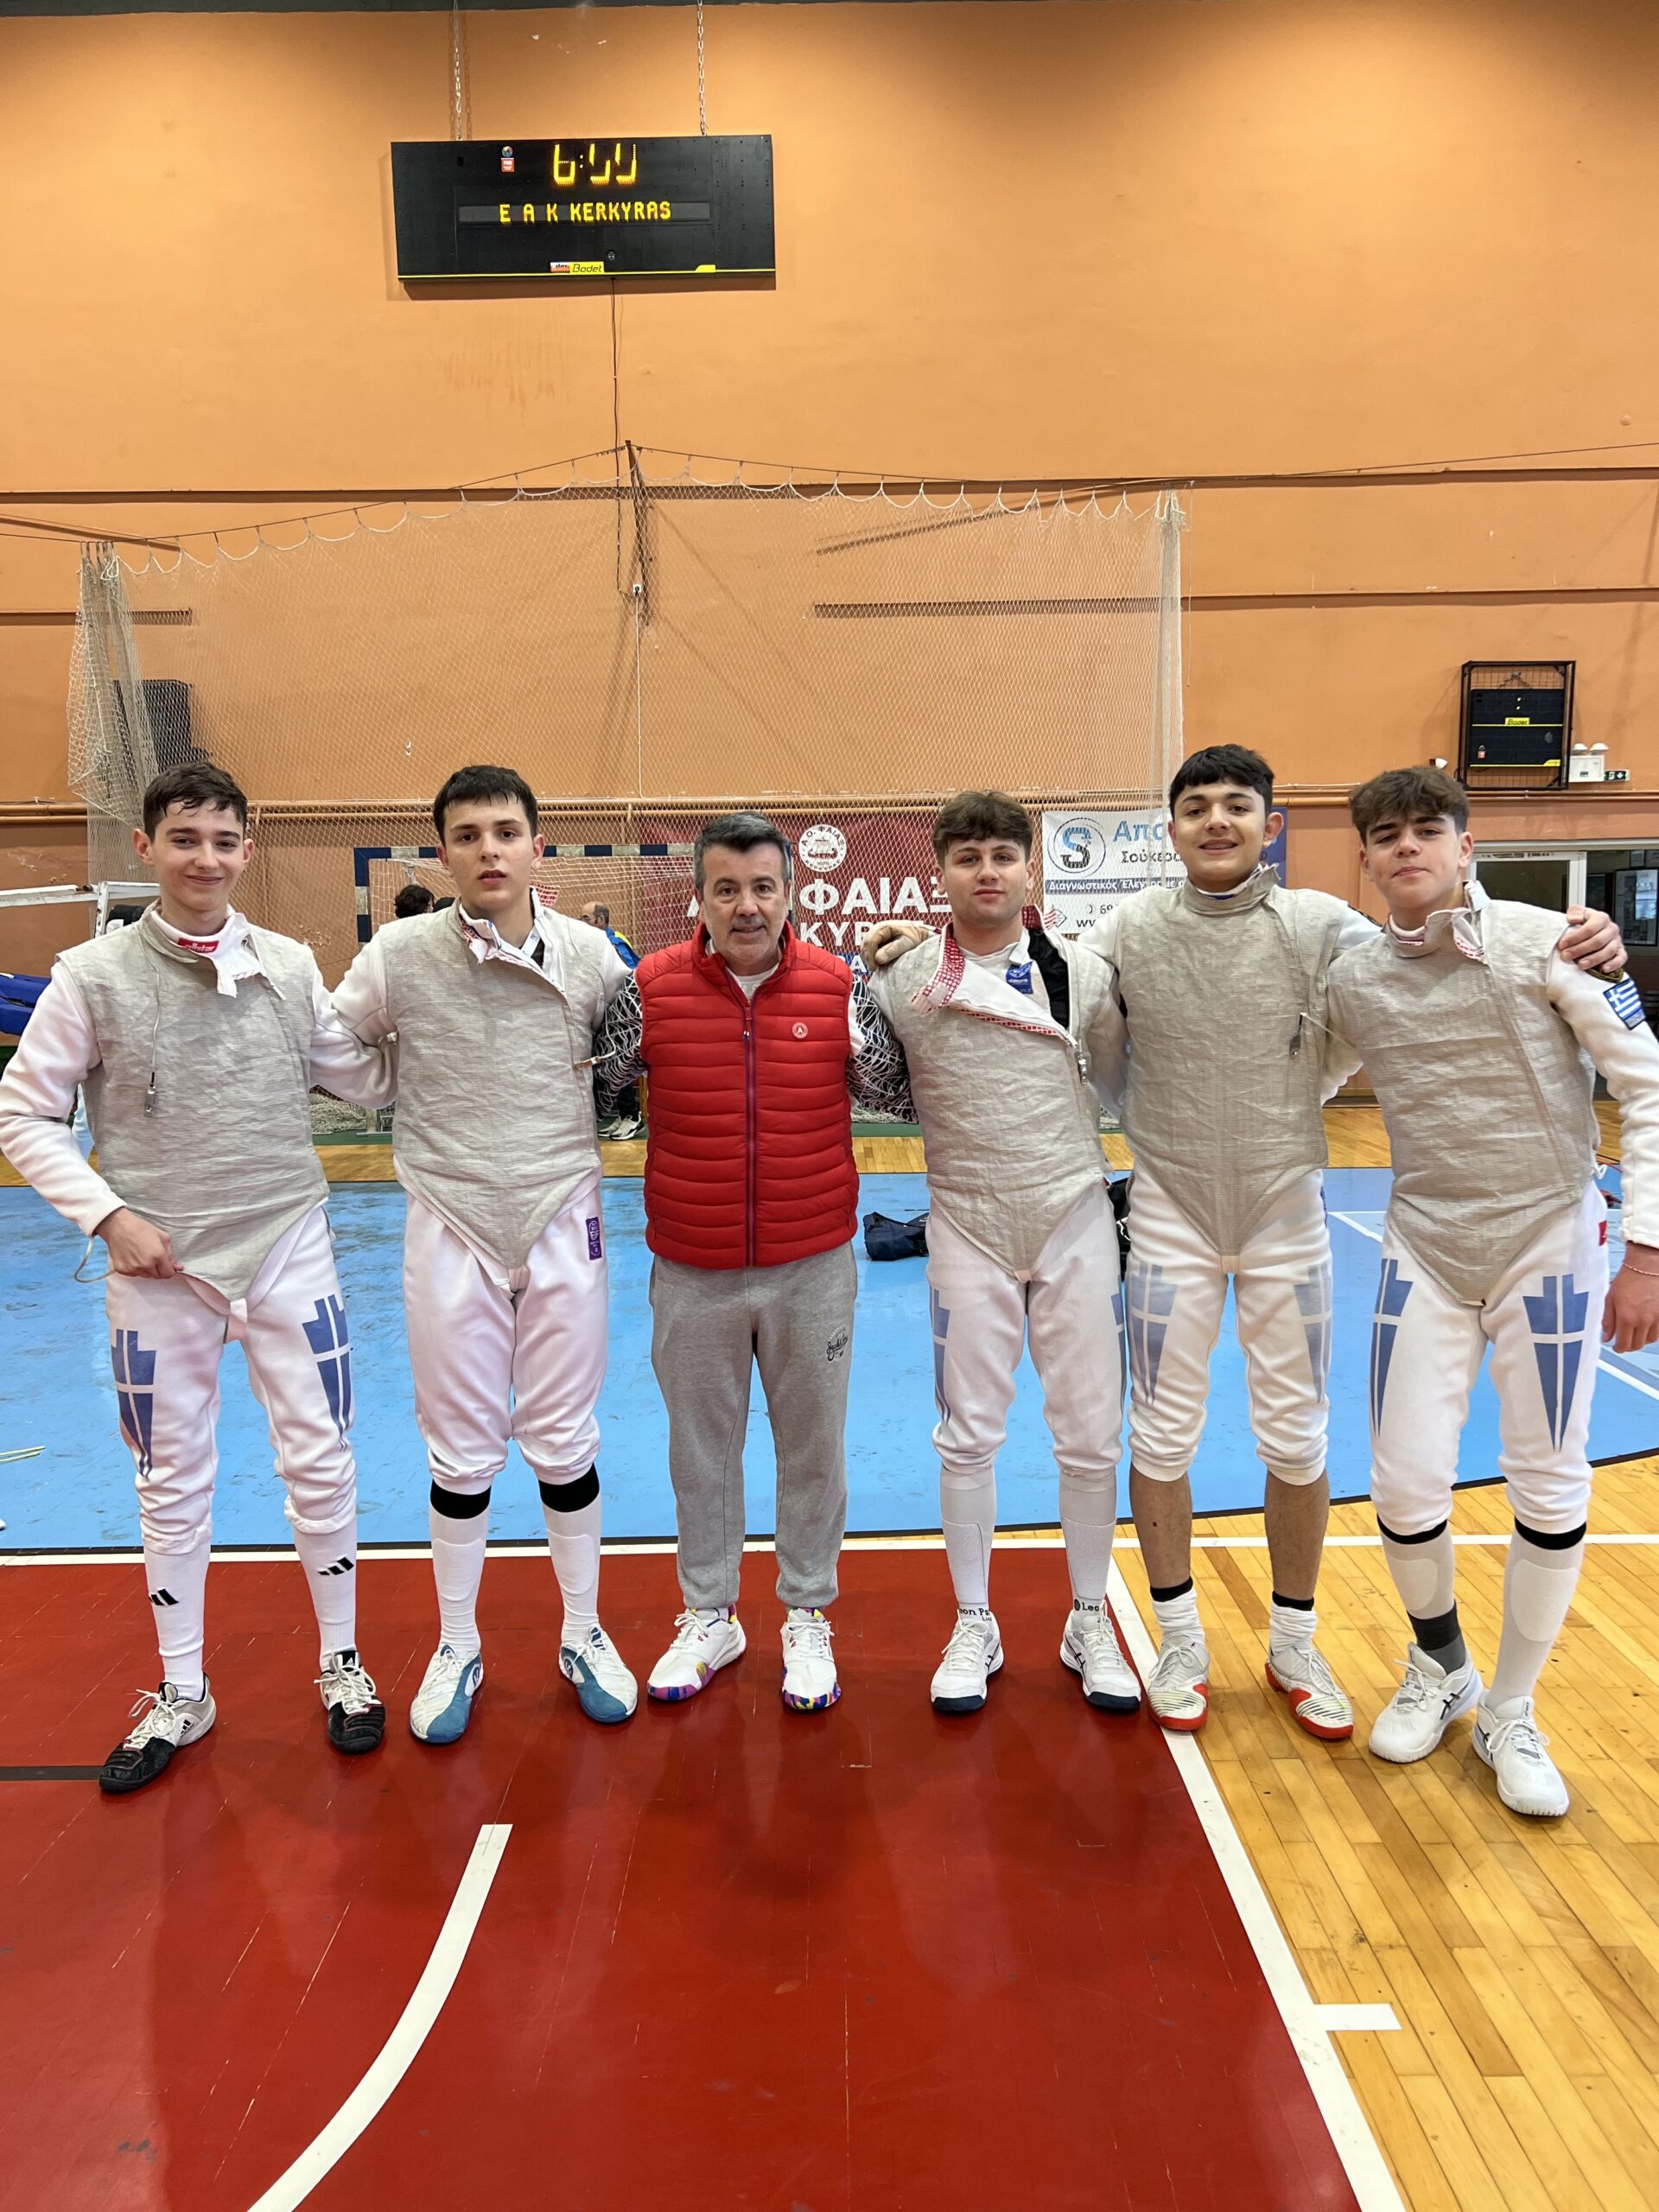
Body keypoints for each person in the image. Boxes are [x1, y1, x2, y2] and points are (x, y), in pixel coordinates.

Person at [865, 747, 1624, 1739]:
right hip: (1170, 1209)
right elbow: (1065, 1010)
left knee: (1296, 1436)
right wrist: (914, 943)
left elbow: (1410, 958)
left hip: (1284, 1210)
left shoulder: (1322, 924)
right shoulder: (1126, 930)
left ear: (1270, 825)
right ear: (1171, 829)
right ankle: (1180, 1638)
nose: (1216, 820)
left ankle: (1294, 1640)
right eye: (1196, 807)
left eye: (1236, 805)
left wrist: (1582, 934)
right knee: (1160, 1433)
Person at [0, 764, 394, 1793]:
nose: (205, 859)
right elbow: (22, 1111)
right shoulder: (91, 975)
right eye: (184, 839)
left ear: (247, 852)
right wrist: (108, 1216)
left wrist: (463, 1035)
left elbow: (362, 1076)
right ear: (147, 848)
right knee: (170, 1479)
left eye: (223, 841)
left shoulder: (290, 965)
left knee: (321, 1458)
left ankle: (342, 1662)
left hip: (287, 1245)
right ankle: (184, 1688)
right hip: (158, 1265)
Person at [1326, 766, 1659, 1819]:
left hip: (1548, 1239)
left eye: (1428, 829)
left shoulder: (1549, 942)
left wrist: (1647, 1254)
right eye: (1387, 835)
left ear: (1465, 846)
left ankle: (1512, 1708)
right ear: (1367, 860)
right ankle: (1443, 1666)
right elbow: (1299, 1080)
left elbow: (1647, 1082)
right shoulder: (1356, 978)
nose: (1407, 846)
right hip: (1425, 1241)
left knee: (1549, 1482)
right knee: (1402, 1482)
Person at [331, 765, 636, 1742]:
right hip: (449, 1216)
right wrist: (392, 1079)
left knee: (565, 1437)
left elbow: (636, 1053)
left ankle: (582, 1630)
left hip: (562, 1211)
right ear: (444, 854)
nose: (489, 850)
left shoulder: (592, 954)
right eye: (467, 836)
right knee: (461, 1450)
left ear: (538, 846)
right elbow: (334, 1045)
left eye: (505, 832)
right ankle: (456, 1641)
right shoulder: (399, 953)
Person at [591, 812, 910, 1713]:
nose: (746, 906)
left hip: (813, 1267)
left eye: (763, 887)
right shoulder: (646, 989)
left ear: (790, 894)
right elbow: (595, 1088)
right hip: (692, 1269)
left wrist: (905, 979)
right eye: (725, 889)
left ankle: (806, 1613)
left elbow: (898, 1096)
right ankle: (711, 1612)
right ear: (697, 897)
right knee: (701, 1453)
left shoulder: (839, 989)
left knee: (814, 1449)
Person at [860, 791, 1137, 1717]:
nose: (987, 872)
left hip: (1073, 1219)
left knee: (1091, 1435)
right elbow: (878, 1085)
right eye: (968, 857)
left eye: (1003, 856)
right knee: (968, 1433)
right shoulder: (901, 978)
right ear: (939, 870)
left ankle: (1089, 1616)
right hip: (967, 1227)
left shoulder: (1084, 975)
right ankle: (973, 1619)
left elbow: (1126, 1085)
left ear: (1030, 868)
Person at [579, 901, 643, 1136]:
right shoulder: (593, 943)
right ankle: (623, 1114)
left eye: (586, 918)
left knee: (618, 1061)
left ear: (600, 920)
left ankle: (632, 1116)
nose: (581, 922)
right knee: (605, 1064)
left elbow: (631, 977)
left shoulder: (614, 943)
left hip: (621, 1018)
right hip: (604, 1014)